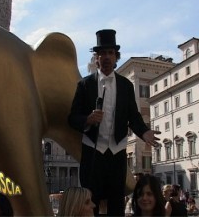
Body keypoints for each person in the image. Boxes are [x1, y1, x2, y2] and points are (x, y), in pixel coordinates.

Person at [68, 29, 160, 216]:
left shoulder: (126, 85)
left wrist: (144, 132)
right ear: (97, 58)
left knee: (116, 204)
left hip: (117, 153)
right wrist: (87, 119)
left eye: (110, 53)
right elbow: (72, 117)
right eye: (102, 53)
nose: (107, 57)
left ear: (116, 57)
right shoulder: (85, 85)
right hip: (92, 153)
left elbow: (133, 117)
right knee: (89, 202)